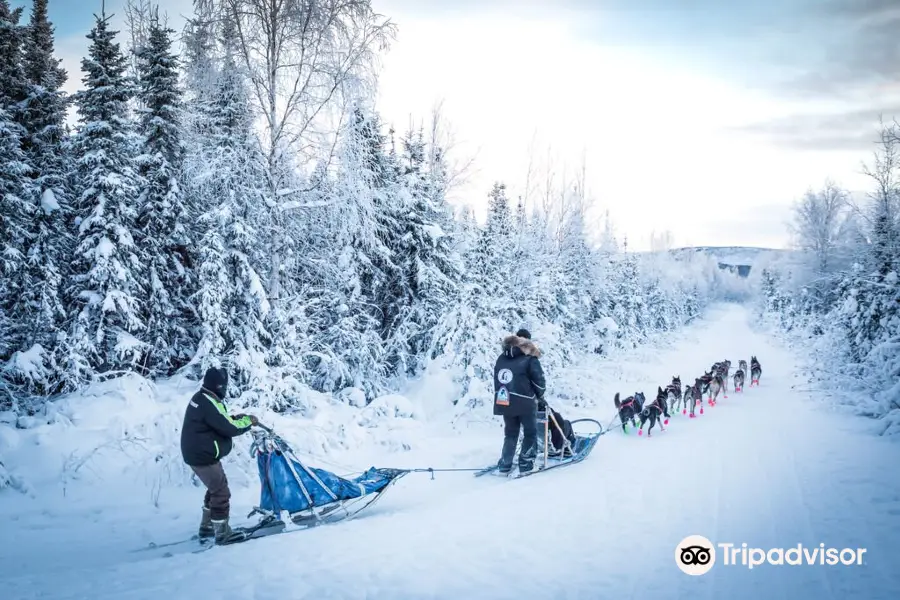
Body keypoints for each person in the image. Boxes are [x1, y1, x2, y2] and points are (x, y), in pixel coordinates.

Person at [181, 366, 258, 543]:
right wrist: (248, 421)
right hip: (202, 456)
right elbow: (229, 428)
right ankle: (222, 533)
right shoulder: (207, 402)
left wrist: (237, 418)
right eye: (223, 386)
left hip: (201, 453)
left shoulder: (204, 397)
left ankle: (207, 527)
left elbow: (221, 420)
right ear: (218, 386)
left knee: (216, 488)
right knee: (221, 492)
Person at [493, 328, 546, 474]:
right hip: (526, 403)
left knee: (510, 433)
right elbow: (539, 383)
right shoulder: (530, 359)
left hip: (505, 401)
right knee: (530, 433)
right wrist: (539, 396)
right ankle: (526, 465)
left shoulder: (502, 358)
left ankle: (505, 464)